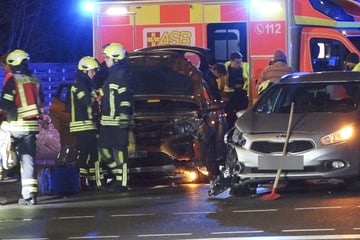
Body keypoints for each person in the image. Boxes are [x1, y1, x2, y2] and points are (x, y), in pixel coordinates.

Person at [0, 49, 44, 205]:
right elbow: (41, 100)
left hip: (14, 125)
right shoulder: (35, 80)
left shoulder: (13, 80)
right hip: (31, 126)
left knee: (2, 154)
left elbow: (5, 104)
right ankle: (30, 195)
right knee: (28, 160)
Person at [98, 43, 133, 192]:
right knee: (103, 150)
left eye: (107, 57)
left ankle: (123, 182)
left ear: (116, 59)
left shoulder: (121, 75)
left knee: (120, 152)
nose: (105, 60)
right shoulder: (111, 75)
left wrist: (124, 115)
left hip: (118, 120)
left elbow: (125, 97)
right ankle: (117, 174)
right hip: (106, 121)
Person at [69, 56, 103, 191]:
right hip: (83, 125)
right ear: (84, 71)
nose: (94, 74)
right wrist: (97, 94)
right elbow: (87, 101)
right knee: (92, 154)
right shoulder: (79, 85)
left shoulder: (83, 84)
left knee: (86, 154)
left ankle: (85, 181)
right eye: (92, 71)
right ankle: (92, 182)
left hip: (86, 124)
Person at [220, 52, 249, 127]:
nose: (239, 64)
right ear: (231, 61)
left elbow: (249, 79)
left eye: (240, 62)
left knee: (241, 113)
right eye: (237, 62)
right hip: (229, 95)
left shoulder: (245, 67)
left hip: (241, 94)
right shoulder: (225, 67)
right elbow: (221, 82)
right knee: (229, 115)